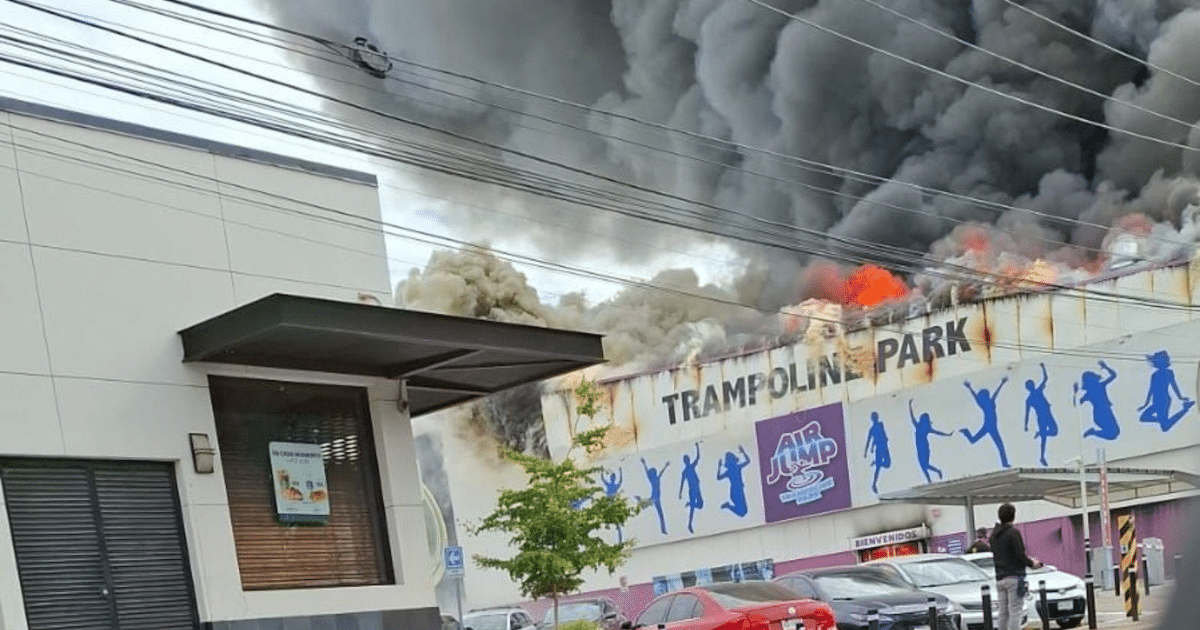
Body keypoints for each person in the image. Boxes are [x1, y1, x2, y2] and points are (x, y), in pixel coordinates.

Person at [989, 503, 1043, 630]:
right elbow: (1019, 554)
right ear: (1013, 516)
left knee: (1003, 611)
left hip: (1000, 577)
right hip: (1014, 576)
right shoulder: (1013, 533)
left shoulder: (994, 535)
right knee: (1015, 611)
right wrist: (1032, 563)